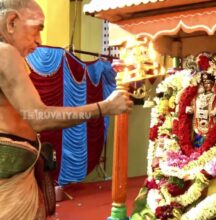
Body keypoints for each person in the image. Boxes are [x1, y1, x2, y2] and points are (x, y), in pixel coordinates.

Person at [0, 0, 132, 219]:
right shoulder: (5, 53)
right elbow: (38, 118)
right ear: (12, 22)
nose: (39, 41)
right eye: (37, 29)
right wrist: (104, 107)